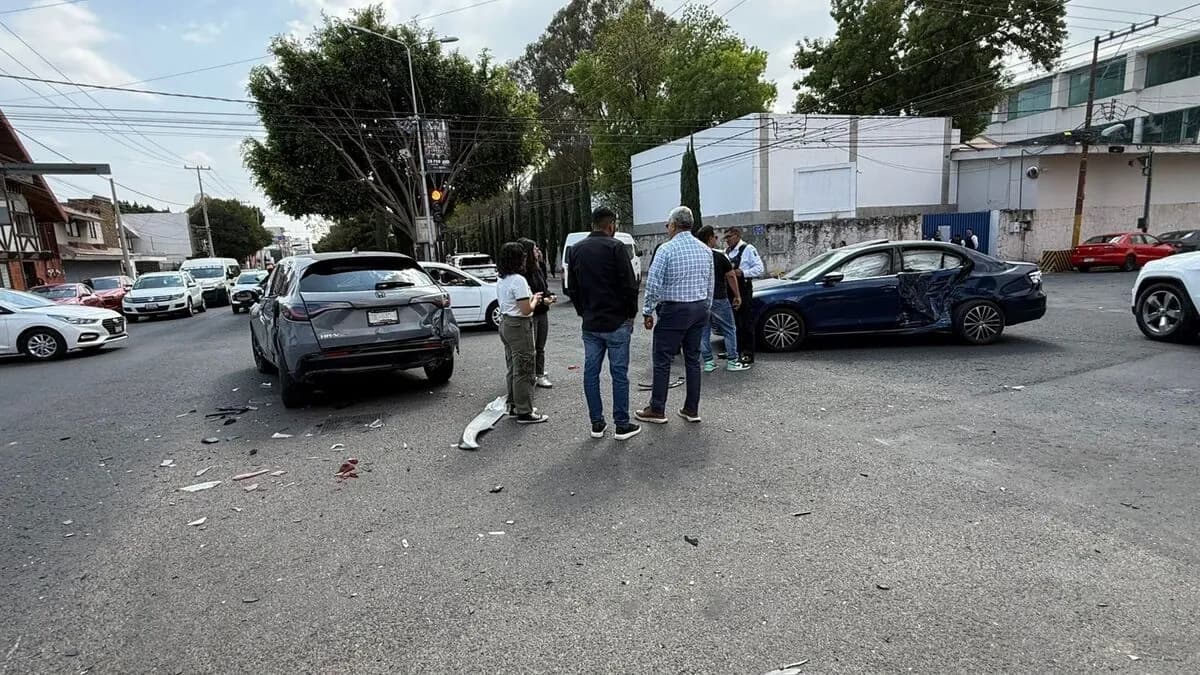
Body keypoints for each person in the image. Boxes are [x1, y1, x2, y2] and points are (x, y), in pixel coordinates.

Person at [568, 207, 642, 440]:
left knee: (591, 373)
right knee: (619, 374)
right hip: (617, 322)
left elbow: (572, 288)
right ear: (611, 225)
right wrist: (630, 315)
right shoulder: (615, 247)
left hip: (591, 324)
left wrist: (583, 312)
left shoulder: (576, 250)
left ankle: (597, 424)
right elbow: (630, 286)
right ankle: (621, 424)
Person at [636, 206, 713, 425]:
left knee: (662, 360)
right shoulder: (705, 250)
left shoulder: (666, 250)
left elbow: (653, 284)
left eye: (667, 223)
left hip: (674, 310)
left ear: (673, 225)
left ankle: (658, 409)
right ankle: (691, 409)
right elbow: (710, 283)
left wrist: (647, 311)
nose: (666, 227)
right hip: (698, 308)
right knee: (692, 359)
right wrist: (706, 308)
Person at [495, 242, 549, 425]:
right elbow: (526, 310)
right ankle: (524, 411)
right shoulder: (518, 280)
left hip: (505, 324)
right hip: (519, 326)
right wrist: (534, 299)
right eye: (523, 257)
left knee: (513, 366)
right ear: (518, 259)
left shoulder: (501, 278)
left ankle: (513, 404)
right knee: (524, 368)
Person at [695, 225, 750, 373]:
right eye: (715, 237)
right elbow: (731, 275)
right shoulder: (719, 256)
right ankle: (732, 360)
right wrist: (737, 295)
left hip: (701, 299)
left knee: (704, 331)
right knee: (729, 328)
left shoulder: (695, 256)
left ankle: (708, 362)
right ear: (710, 238)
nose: (716, 239)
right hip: (719, 297)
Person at [723, 227, 765, 365]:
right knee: (732, 322)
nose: (727, 240)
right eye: (726, 238)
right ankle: (734, 350)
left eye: (729, 237)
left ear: (736, 236)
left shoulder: (748, 249)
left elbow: (759, 268)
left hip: (743, 288)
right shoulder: (727, 252)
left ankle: (748, 353)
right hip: (730, 289)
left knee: (746, 322)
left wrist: (743, 273)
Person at [518, 238, 555, 389]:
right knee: (530, 347)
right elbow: (527, 297)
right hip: (531, 314)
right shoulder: (521, 274)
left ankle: (539, 372)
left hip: (542, 312)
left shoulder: (538, 268)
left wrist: (550, 296)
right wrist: (542, 301)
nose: (537, 251)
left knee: (540, 345)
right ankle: (531, 375)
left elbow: (543, 288)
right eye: (534, 249)